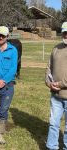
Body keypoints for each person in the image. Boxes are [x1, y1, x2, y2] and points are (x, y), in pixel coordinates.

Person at [45, 22, 67, 150]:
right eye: (64, 32)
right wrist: (49, 83)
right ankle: (51, 147)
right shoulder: (56, 48)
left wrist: (59, 84)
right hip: (56, 96)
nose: (66, 35)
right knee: (53, 124)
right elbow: (49, 68)